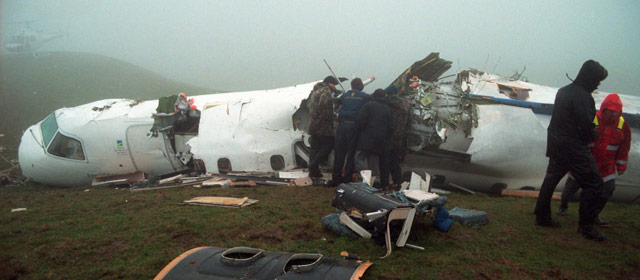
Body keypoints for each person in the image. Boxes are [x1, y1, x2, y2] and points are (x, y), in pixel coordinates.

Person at [533, 60, 608, 241]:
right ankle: (586, 227)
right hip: (573, 147)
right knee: (594, 183)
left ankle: (541, 216)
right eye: (598, 80)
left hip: (557, 143)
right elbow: (585, 124)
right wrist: (594, 136)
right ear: (590, 78)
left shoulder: (564, 91)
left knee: (550, 180)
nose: (598, 84)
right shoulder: (583, 96)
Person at [556, 93, 631, 227]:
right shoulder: (592, 119)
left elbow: (624, 147)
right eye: (611, 111)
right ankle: (563, 206)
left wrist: (621, 165)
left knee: (608, 189)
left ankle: (593, 215)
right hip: (585, 160)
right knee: (571, 187)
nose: (614, 114)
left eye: (617, 112)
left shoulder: (623, 126)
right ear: (605, 108)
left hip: (606, 166)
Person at [331, 78, 370, 185]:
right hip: (353, 127)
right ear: (361, 86)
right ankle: (347, 179)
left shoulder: (344, 95)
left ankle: (336, 178)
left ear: (351, 86)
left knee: (339, 154)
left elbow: (336, 105)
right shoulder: (366, 97)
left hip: (342, 126)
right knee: (351, 154)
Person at [354, 89, 393, 188]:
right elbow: (390, 127)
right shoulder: (387, 109)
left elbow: (359, 120)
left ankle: (364, 177)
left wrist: (359, 132)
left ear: (374, 96)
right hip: (380, 140)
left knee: (359, 158)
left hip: (366, 137)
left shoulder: (368, 105)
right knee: (373, 162)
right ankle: (371, 183)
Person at [307, 76, 339, 179]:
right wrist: (333, 117)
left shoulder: (316, 91)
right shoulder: (326, 93)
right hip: (323, 126)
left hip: (313, 124)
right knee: (329, 144)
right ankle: (313, 164)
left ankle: (313, 172)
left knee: (314, 148)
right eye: (334, 84)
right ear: (329, 83)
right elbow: (324, 108)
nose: (334, 87)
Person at [384, 85, 412, 187]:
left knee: (385, 160)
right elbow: (410, 122)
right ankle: (398, 182)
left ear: (388, 93)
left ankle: (385, 183)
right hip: (400, 137)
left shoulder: (386, 103)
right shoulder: (406, 103)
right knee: (395, 161)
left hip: (388, 136)